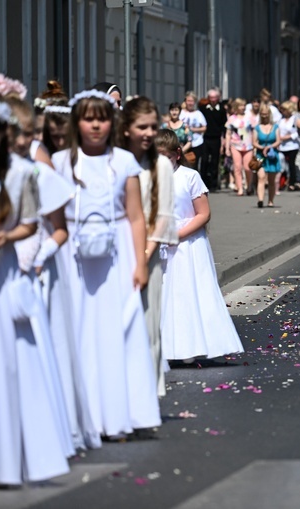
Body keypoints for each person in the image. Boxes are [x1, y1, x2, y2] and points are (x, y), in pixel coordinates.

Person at [52, 88, 160, 441]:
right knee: (78, 332)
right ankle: (79, 418)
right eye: (88, 119)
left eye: (101, 118)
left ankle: (119, 416)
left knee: (117, 331)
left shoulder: (123, 162)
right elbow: (52, 219)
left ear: (111, 122)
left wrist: (141, 263)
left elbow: (135, 217)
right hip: (73, 256)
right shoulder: (59, 163)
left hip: (116, 256)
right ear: (77, 123)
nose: (95, 125)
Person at [0, 93, 73, 485]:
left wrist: (14, 243)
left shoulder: (26, 174)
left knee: (18, 354)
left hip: (15, 269)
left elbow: (42, 224)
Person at [154, 129, 244, 362]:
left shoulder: (189, 176)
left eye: (166, 157)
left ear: (177, 154)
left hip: (188, 243)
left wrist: (177, 234)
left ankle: (193, 346)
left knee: (188, 294)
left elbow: (203, 214)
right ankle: (168, 348)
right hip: (160, 243)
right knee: (165, 297)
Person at [118, 97, 178, 398]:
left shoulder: (161, 166)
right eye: (142, 126)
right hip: (115, 254)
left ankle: (148, 394)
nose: (148, 132)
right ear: (126, 128)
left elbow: (163, 218)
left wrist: (143, 255)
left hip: (147, 255)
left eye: (154, 126)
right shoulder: (113, 159)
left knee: (148, 324)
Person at [224, 97, 255, 196]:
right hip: (235, 145)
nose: (243, 107)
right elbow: (228, 134)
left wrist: (255, 144)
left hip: (248, 145)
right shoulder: (232, 119)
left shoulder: (249, 117)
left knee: (247, 167)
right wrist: (227, 148)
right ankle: (240, 188)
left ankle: (249, 185)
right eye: (241, 105)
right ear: (236, 107)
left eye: (244, 105)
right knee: (237, 167)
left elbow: (254, 131)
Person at [252, 104, 282, 207]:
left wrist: (269, 147)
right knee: (261, 177)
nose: (264, 116)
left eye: (266, 114)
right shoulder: (257, 128)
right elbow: (254, 142)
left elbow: (278, 141)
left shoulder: (275, 127)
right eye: (262, 114)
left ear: (269, 114)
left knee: (271, 180)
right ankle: (260, 200)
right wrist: (261, 148)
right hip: (260, 156)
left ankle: (270, 201)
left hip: (272, 155)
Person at [198, 87, 227, 192]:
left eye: (215, 98)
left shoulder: (222, 109)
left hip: (216, 138)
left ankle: (214, 184)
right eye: (211, 98)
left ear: (218, 98)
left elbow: (224, 125)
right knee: (204, 161)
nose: (213, 100)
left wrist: (223, 139)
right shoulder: (203, 109)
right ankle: (204, 183)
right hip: (205, 138)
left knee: (215, 161)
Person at [179, 91, 207, 182]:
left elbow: (204, 128)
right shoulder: (181, 113)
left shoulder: (198, 114)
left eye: (192, 101)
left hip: (196, 143)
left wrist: (192, 129)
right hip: (183, 143)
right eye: (188, 100)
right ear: (185, 101)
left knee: (193, 164)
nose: (190, 103)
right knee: (182, 163)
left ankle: (194, 182)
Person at [278, 101, 300, 191]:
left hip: (292, 146)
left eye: (285, 110)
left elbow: (296, 133)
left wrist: (287, 137)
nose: (283, 111)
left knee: (291, 164)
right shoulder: (281, 120)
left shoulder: (294, 119)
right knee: (282, 163)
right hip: (282, 146)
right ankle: (282, 182)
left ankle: (292, 183)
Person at [162, 102, 193, 166]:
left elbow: (189, 141)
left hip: (183, 156)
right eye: (172, 110)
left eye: (176, 110)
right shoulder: (165, 126)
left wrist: (181, 151)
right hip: (168, 157)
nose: (174, 112)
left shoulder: (185, 126)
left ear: (180, 111)